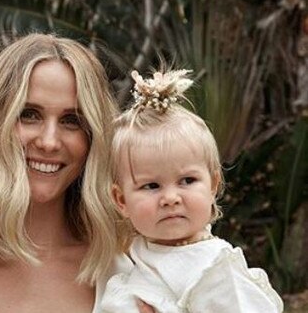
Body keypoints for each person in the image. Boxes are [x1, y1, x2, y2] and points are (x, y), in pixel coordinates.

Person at [0, 33, 156, 313]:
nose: (49, 141)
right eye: (29, 114)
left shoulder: (134, 276)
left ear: (92, 139)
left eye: (71, 120)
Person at [99, 69, 284, 312]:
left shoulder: (214, 269)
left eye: (187, 180)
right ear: (121, 200)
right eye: (151, 186)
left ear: (213, 185)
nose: (171, 198)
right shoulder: (135, 258)